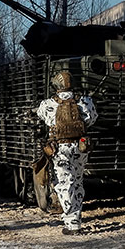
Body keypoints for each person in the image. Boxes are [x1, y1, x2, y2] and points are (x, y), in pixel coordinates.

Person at [36, 70, 98, 235]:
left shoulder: (48, 104)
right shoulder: (84, 101)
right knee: (77, 182)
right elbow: (92, 118)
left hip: (59, 149)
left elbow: (41, 115)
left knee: (64, 184)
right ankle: (76, 217)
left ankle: (72, 224)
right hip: (80, 148)